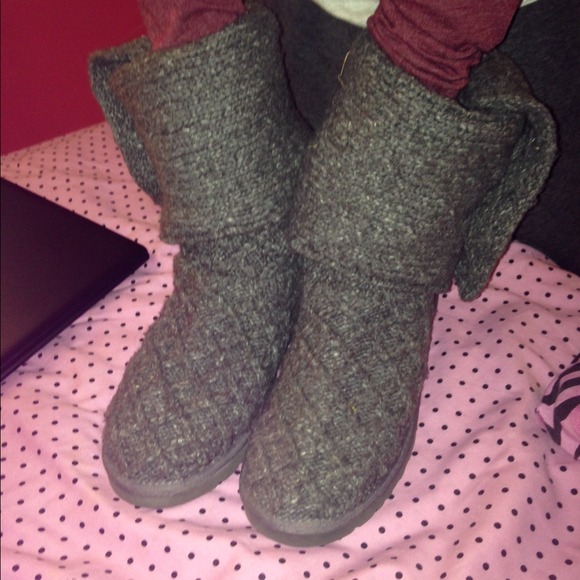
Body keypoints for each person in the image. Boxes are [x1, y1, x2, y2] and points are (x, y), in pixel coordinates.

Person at [89, 0, 559, 546]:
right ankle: (250, 249)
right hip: (299, 43)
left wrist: (426, 57)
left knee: (367, 266)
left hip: (457, 62)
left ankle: (365, 277)